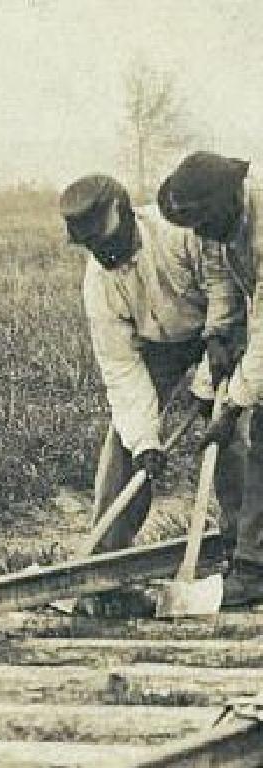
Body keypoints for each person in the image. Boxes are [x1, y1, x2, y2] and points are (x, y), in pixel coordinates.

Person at [60, 174, 244, 614]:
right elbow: (121, 368)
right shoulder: (98, 283)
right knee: (123, 447)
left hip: (214, 334)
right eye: (93, 248)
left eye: (109, 241)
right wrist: (145, 441)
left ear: (128, 216)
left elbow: (223, 289)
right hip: (155, 349)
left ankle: (246, 557)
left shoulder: (178, 232)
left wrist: (209, 378)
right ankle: (105, 570)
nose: (105, 254)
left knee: (229, 436)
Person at [158, 151, 263, 606]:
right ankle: (249, 553)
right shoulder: (217, 226)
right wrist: (218, 337)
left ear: (230, 199)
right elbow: (222, 280)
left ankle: (254, 567)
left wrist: (233, 404)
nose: (198, 234)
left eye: (203, 222)